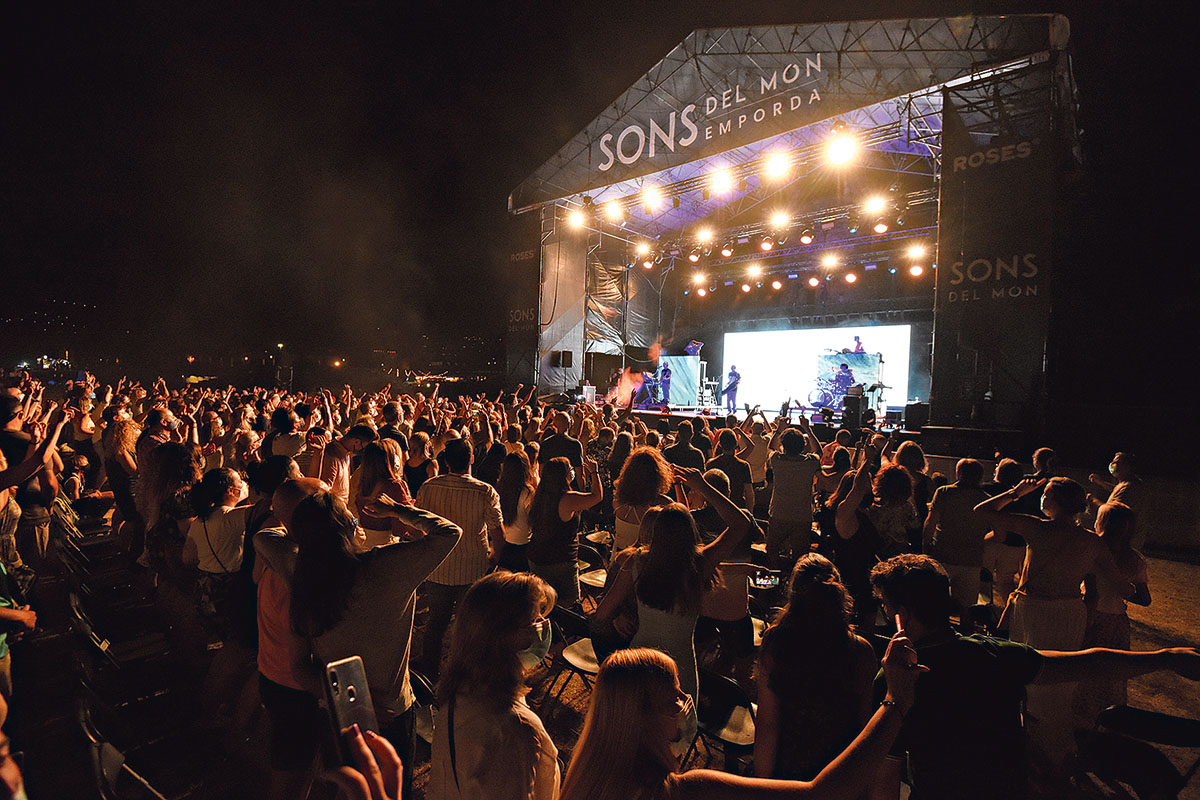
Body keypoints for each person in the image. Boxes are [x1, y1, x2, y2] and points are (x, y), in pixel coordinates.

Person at [868, 554, 1200, 800]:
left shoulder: (897, 679)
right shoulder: (995, 654)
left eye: (884, 605)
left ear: (902, 615)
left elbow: (885, 778)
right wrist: (1165, 657)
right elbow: (1088, 663)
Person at [557, 637, 922, 800]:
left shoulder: (583, 781)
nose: (686, 703)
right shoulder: (685, 791)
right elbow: (821, 794)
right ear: (642, 718)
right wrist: (894, 702)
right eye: (674, 699)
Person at [279, 489, 462, 800]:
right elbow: (449, 533)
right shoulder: (389, 566)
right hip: (392, 711)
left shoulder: (301, 576)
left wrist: (350, 702)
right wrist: (398, 510)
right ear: (348, 529)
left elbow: (299, 667)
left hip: (337, 716)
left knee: (348, 790)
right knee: (391, 790)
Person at [974, 477, 1135, 764]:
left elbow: (982, 511)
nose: (1042, 499)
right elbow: (1123, 587)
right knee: (1060, 677)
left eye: (1046, 495)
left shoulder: (1035, 527)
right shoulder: (1091, 541)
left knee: (1027, 670)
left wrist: (1015, 492)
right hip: (1068, 612)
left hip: (1034, 609)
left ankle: (1031, 741)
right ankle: (1055, 746)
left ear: (1057, 502)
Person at [593, 468, 754, 745]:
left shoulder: (636, 561)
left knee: (635, 741)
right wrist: (702, 486)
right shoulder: (699, 564)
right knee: (672, 742)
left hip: (639, 662)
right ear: (690, 533)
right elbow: (741, 523)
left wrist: (621, 615)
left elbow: (601, 614)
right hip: (679, 669)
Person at [428, 571, 560, 800]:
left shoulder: (460, 693)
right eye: (534, 620)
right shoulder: (515, 729)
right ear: (501, 636)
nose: (543, 625)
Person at [755, 554, 877, 781]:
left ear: (793, 594)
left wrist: (762, 784)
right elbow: (864, 727)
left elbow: (768, 724)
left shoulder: (777, 642)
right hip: (839, 774)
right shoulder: (861, 650)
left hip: (789, 773)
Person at [413, 438, 504, 682]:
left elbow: (419, 524)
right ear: (472, 459)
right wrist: (494, 556)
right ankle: (463, 674)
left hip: (439, 566)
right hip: (472, 567)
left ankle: (430, 672)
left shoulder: (429, 487)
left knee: (436, 622)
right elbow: (498, 532)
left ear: (446, 462)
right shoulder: (485, 491)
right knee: (468, 625)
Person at [1077, 501, 1151, 718]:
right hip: (1117, 621)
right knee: (1113, 673)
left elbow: (1091, 593)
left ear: (1102, 522)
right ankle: (1110, 718)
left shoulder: (1089, 551)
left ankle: (1083, 718)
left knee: (1083, 670)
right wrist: (1124, 590)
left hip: (1090, 616)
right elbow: (1145, 599)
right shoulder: (1135, 559)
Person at [526, 455, 602, 607]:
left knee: (542, 602)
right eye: (570, 469)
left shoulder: (539, 496)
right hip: (561, 560)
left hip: (537, 557)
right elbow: (597, 496)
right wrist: (595, 472)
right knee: (570, 604)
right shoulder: (567, 499)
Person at [921, 458, 989, 622]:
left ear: (958, 473)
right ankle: (966, 634)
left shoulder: (944, 492)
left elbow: (931, 522)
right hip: (971, 559)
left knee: (936, 601)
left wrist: (926, 546)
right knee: (968, 607)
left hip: (943, 554)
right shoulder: (986, 499)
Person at [765, 420, 821, 569]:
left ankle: (773, 578)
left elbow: (770, 447)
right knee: (801, 555)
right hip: (802, 516)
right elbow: (818, 452)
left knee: (772, 550)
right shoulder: (810, 462)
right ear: (803, 445)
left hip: (778, 513)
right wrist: (807, 429)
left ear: (783, 445)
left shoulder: (777, 460)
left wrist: (779, 429)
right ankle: (795, 580)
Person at [354, 440, 415, 549]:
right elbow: (400, 529)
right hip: (386, 546)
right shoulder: (394, 486)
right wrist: (411, 507)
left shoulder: (362, 483)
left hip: (363, 543)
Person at [613, 446, 674, 551]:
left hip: (620, 557)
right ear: (657, 475)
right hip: (646, 560)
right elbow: (683, 521)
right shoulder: (663, 504)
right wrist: (678, 484)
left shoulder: (618, 500)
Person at [307, 423, 376, 504]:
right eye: (363, 447)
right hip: (335, 507)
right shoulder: (332, 454)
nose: (362, 451)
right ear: (356, 442)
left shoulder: (346, 452)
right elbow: (324, 491)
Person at [495, 450, 537, 572]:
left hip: (505, 545)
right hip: (523, 546)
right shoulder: (527, 492)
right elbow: (533, 520)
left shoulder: (499, 488)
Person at [705, 429, 754, 511]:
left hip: (716, 507)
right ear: (736, 443)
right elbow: (749, 493)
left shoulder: (711, 464)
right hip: (737, 507)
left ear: (720, 444)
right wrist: (750, 512)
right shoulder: (743, 466)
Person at [404, 432, 438, 496]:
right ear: (426, 445)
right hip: (426, 497)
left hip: (412, 497)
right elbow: (433, 484)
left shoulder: (407, 464)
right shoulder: (431, 463)